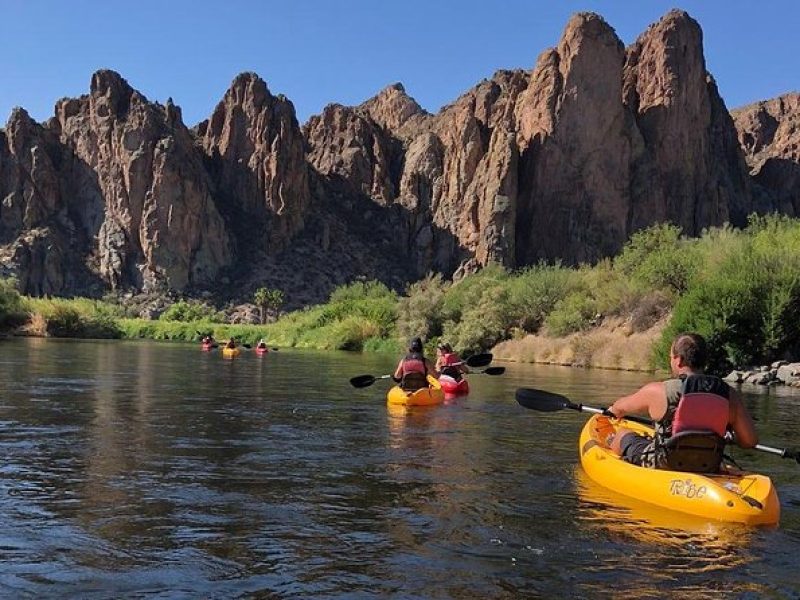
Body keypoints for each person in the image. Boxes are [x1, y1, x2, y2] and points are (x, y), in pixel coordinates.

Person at [607, 332, 758, 470]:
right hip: (709, 464)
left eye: (671, 357)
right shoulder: (728, 394)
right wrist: (729, 436)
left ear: (678, 360)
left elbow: (619, 409)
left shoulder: (658, 391)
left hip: (664, 463)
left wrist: (612, 411)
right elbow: (749, 441)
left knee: (622, 435)